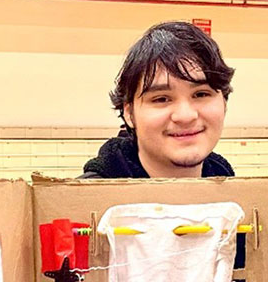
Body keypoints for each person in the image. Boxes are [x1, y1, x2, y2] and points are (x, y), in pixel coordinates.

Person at [81, 21, 235, 179]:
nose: (185, 116)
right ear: (129, 113)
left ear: (224, 102)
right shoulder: (83, 200)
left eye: (201, 94)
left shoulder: (238, 195)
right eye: (161, 99)